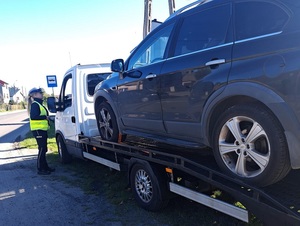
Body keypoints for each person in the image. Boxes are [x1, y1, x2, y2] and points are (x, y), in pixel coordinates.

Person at [27, 87, 55, 175]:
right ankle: (40, 169)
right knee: (42, 149)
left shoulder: (39, 104)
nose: (42, 94)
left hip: (42, 130)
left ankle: (45, 167)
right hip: (38, 130)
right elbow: (34, 116)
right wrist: (45, 117)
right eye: (40, 93)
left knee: (44, 148)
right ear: (34, 95)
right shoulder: (35, 104)